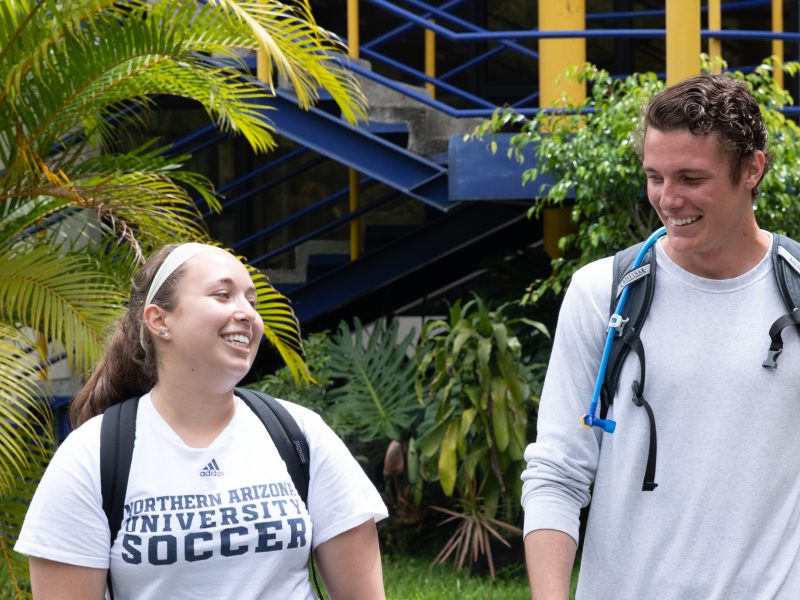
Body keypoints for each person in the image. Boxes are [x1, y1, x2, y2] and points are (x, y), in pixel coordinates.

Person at [521, 72, 800, 599]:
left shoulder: (796, 289)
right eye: (654, 176)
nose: (668, 199)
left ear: (752, 169)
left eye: (691, 178)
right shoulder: (603, 293)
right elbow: (557, 473)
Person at [15, 242, 388, 599]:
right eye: (222, 295)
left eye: (251, 300)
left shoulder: (299, 435)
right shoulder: (90, 457)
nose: (247, 313)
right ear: (159, 320)